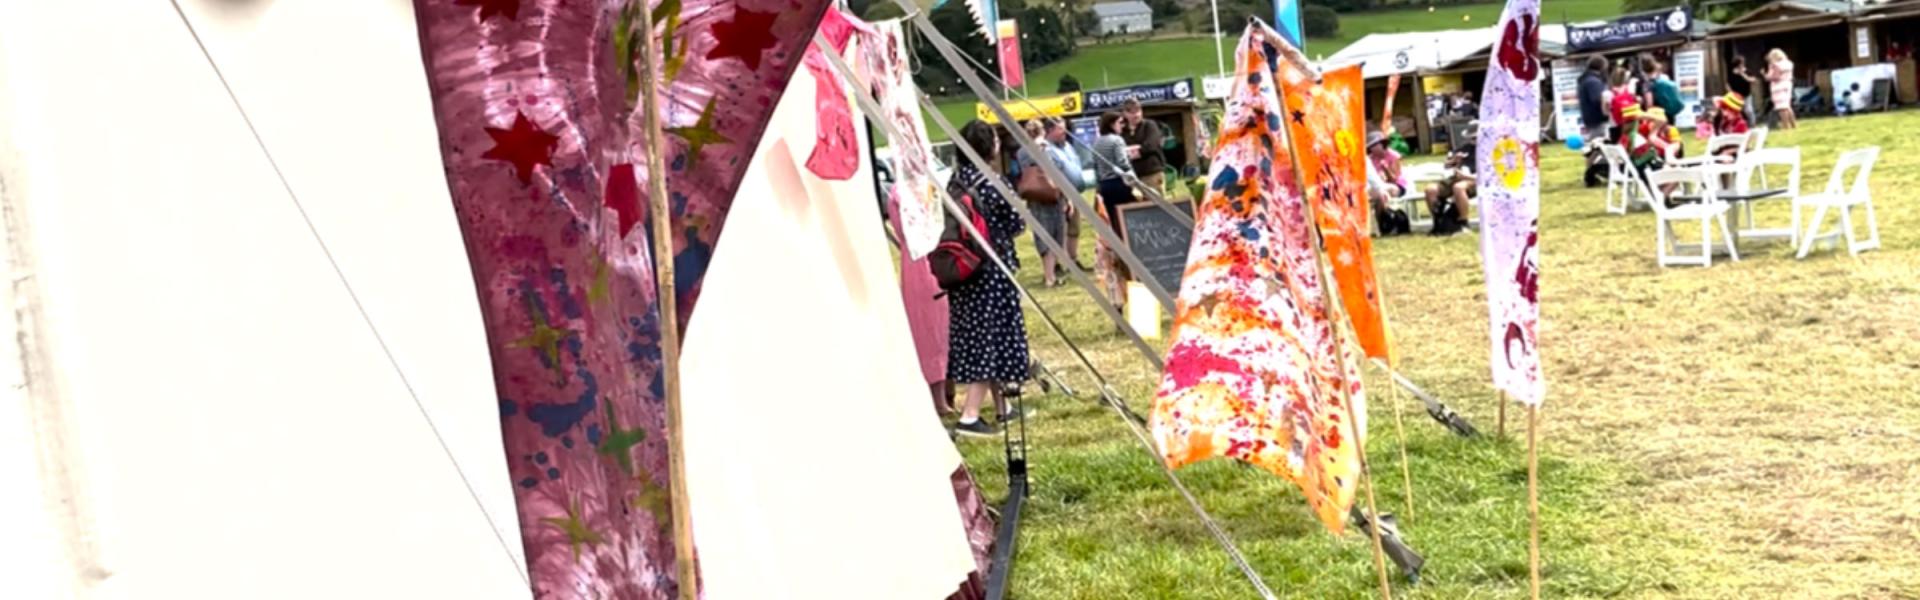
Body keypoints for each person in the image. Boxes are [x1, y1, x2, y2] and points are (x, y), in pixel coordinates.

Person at [946, 120, 1030, 438]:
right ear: (990, 147)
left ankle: (1002, 407)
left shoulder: (955, 181)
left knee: (981, 332)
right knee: (992, 338)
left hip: (965, 270)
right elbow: (1015, 223)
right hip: (993, 269)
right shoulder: (993, 182)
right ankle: (969, 416)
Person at [1016, 118, 1085, 287]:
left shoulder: (1022, 152)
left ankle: (1049, 274)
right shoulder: (1046, 149)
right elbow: (1056, 174)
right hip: (1052, 196)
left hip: (1034, 198)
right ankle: (1051, 276)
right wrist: (1067, 197)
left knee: (1042, 234)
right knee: (1055, 234)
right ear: (1043, 132)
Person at [1091, 111, 1138, 314]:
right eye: (1120, 122)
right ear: (1112, 124)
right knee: (1128, 231)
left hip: (1104, 187)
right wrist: (1136, 182)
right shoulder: (1116, 140)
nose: (1122, 126)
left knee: (1112, 232)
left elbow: (1095, 167)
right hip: (1120, 186)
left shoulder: (1096, 142)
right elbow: (1122, 164)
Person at [1425, 144, 1476, 236]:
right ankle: (1438, 223)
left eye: (1475, 137)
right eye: (1472, 138)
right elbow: (1446, 165)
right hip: (1456, 177)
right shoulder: (1464, 148)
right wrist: (1454, 160)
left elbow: (1489, 174)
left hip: (1475, 179)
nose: (1474, 140)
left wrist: (1466, 176)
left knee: (1458, 187)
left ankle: (1463, 223)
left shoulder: (1488, 150)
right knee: (1430, 189)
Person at [1119, 98, 1167, 194]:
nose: (1135, 115)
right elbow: (1119, 150)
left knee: (1157, 202)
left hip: (1152, 172)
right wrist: (1136, 149)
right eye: (1131, 112)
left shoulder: (1149, 125)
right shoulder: (1122, 131)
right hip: (1133, 176)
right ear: (1124, 114)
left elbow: (1151, 146)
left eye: (1138, 111)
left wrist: (1130, 152)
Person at [1576, 56, 1611, 145]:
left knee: (1595, 142)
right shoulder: (1593, 81)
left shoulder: (1585, 80)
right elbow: (1597, 99)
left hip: (1590, 118)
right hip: (1597, 118)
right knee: (1599, 143)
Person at [1765, 49, 1797, 130]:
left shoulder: (1775, 65)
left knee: (1781, 107)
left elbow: (1775, 77)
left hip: (1778, 86)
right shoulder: (1789, 63)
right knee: (1787, 106)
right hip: (1787, 84)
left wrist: (1767, 76)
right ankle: (1793, 125)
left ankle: (1785, 126)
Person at [1645, 56, 1683, 123]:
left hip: (1659, 114)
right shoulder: (1665, 78)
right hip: (1669, 111)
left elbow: (1649, 103)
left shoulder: (1649, 83)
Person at [1728, 55, 1759, 125]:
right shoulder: (1732, 73)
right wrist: (1730, 92)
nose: (1742, 64)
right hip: (1736, 95)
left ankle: (1753, 124)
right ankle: (1741, 125)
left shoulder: (1747, 71)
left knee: (1748, 110)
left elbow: (1753, 80)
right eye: (1741, 63)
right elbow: (1728, 83)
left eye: (1742, 63)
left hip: (1746, 94)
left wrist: (1743, 74)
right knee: (1738, 111)